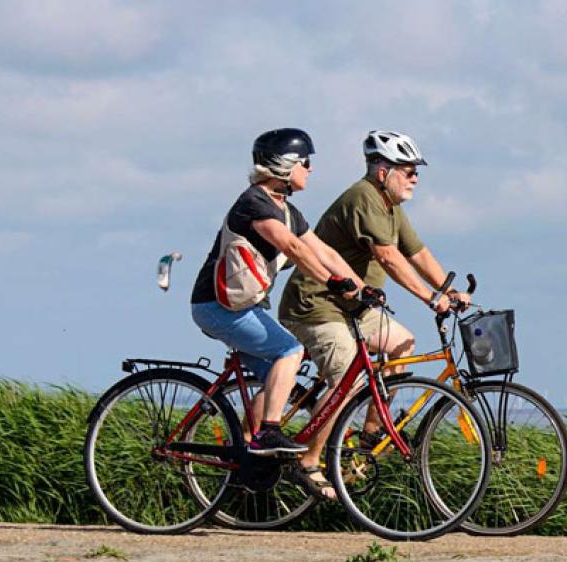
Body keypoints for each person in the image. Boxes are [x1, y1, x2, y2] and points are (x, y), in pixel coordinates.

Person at [278, 130, 470, 480]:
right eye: (408, 170)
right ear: (383, 172)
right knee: (347, 380)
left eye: (417, 172)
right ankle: (307, 463)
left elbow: (418, 253)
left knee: (403, 345)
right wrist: (431, 299)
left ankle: (370, 433)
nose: (415, 178)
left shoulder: (391, 207)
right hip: (317, 305)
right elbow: (390, 258)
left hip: (354, 309)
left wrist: (448, 290)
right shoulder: (364, 198)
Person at [188, 129, 365, 479]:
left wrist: (361, 288)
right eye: (306, 162)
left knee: (281, 380)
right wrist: (332, 283)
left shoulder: (289, 211)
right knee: (289, 351)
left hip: (240, 308)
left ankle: (249, 461)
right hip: (217, 307)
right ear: (284, 166)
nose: (311, 170)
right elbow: (293, 249)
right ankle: (267, 432)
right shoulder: (254, 202)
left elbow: (323, 251)